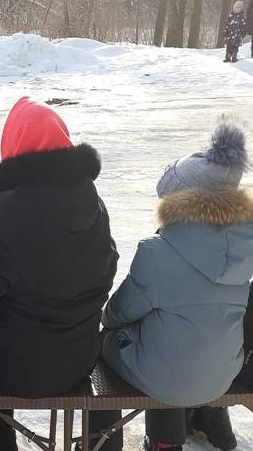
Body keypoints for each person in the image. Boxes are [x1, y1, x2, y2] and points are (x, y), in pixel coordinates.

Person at [0, 96, 119, 451]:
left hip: (11, 369)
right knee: (9, 318)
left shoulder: (7, 211)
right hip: (75, 361)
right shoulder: (93, 202)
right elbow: (106, 270)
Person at [101, 123, 252, 451]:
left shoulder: (157, 253)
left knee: (123, 337)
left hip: (168, 380)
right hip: (223, 374)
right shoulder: (245, 248)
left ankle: (157, 441)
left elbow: (116, 315)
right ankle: (216, 429)